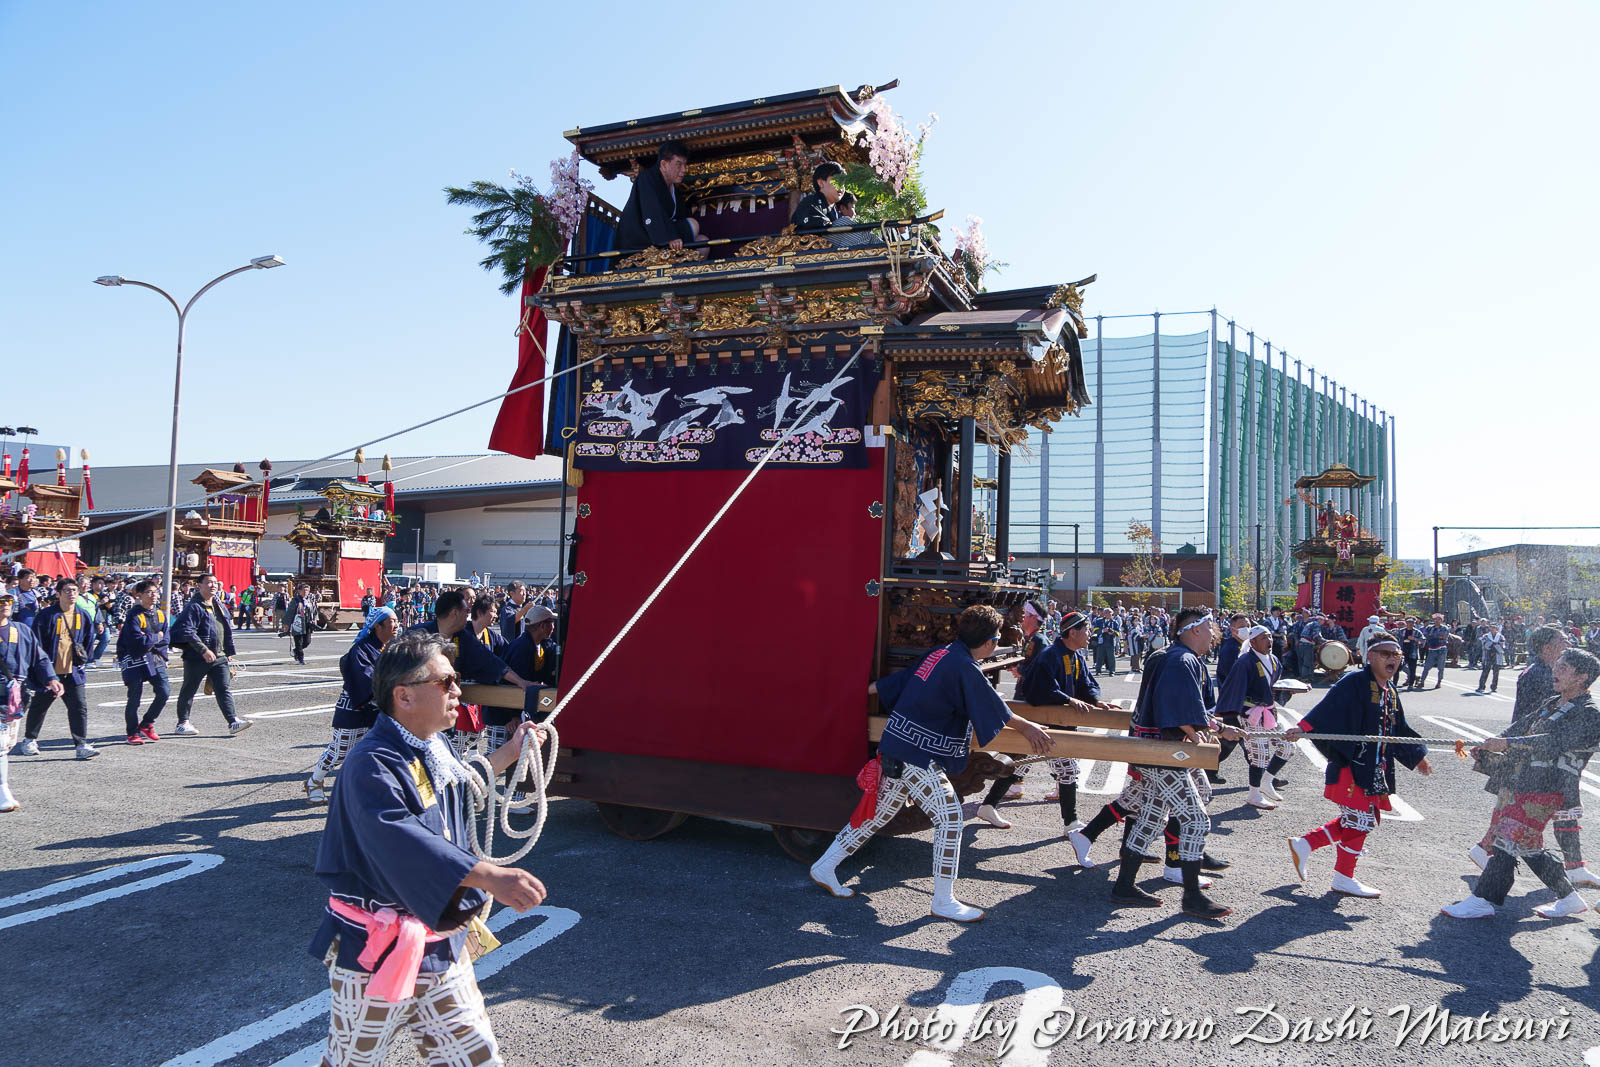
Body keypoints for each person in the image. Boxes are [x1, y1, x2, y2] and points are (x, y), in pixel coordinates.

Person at [308, 630, 546, 1066]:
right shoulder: (371, 763)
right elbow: (399, 838)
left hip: (439, 944)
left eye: (456, 679)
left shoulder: (432, 747)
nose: (458, 691)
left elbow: (463, 785)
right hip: (376, 948)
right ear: (404, 696)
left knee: (476, 1056)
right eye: (445, 681)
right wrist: (489, 876)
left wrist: (513, 751)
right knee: (351, 1060)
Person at [809, 605, 1053, 922]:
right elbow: (994, 706)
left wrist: (858, 689)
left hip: (898, 744)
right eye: (996, 640)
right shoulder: (964, 665)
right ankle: (943, 901)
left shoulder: (941, 653)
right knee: (950, 817)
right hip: (915, 754)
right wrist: (1028, 727)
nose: (996, 645)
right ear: (989, 642)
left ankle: (824, 866)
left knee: (877, 815)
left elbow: (902, 680)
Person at [1443, 648, 1600, 919]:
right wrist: (1492, 743)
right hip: (1523, 780)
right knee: (1528, 846)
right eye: (1557, 665)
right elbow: (1521, 726)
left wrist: (1507, 743)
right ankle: (1569, 898)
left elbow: (1552, 742)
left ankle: (1483, 900)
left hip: (1549, 788)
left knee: (1507, 839)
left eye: (1563, 668)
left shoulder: (1590, 713)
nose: (1555, 670)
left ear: (1582, 677)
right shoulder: (1554, 702)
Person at [1285, 632, 1432, 899]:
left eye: (1396, 655)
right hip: (1352, 764)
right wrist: (1302, 728)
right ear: (1370, 656)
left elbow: (1399, 728)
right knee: (1360, 821)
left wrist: (1417, 755)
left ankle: (1306, 845)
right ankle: (1342, 876)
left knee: (1357, 820)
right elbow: (1327, 708)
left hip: (1374, 768)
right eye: (1386, 654)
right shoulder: (1354, 681)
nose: (1392, 659)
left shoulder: (1390, 690)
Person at [1115, 607, 1232, 918]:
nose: (1215, 634)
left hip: (1154, 749)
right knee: (1196, 820)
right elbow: (1177, 709)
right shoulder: (1182, 660)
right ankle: (1192, 896)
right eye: (1211, 628)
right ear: (1195, 629)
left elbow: (1183, 707)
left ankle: (1123, 886)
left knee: (1152, 818)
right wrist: (1198, 737)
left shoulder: (1174, 656)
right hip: (1162, 753)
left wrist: (1217, 728)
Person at [1019, 610, 1121, 836]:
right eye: (1086, 630)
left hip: (1061, 725)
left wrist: (1096, 700)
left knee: (1020, 765)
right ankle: (1071, 822)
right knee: (1068, 770)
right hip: (1044, 724)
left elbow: (1086, 685)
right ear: (1073, 633)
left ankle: (989, 805)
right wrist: (1067, 699)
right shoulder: (1050, 655)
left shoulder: (1075, 656)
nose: (1090, 635)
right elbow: (1038, 689)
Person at [306, 607, 399, 804]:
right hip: (355, 708)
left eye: (397, 620)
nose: (396, 625)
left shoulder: (390, 648)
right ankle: (314, 781)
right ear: (377, 626)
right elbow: (367, 680)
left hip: (380, 708)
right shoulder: (361, 649)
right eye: (392, 621)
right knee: (340, 751)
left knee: (380, 751)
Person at [20, 577, 98, 760]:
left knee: (79, 708)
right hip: (50, 673)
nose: (72, 594)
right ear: (58, 593)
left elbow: (88, 640)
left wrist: (83, 659)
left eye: (75, 591)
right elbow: (36, 644)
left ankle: (81, 744)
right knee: (39, 706)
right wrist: (41, 671)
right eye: (67, 590)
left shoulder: (82, 615)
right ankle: (29, 739)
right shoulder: (47, 615)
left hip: (74, 672)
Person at [1217, 625, 1293, 810]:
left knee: (1288, 746)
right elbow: (1233, 688)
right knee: (1260, 754)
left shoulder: (1274, 660)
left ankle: (1267, 780)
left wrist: (1292, 689)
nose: (1269, 641)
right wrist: (1230, 715)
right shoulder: (1245, 662)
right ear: (1253, 642)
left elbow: (1273, 687)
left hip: (1269, 712)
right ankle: (1254, 794)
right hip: (1251, 714)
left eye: (1270, 637)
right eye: (1264, 638)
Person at [170, 573, 253, 737]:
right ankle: (182, 723)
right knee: (189, 689)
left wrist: (228, 652)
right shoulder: (193, 606)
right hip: (196, 656)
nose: (213, 585)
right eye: (208, 582)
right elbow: (187, 631)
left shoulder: (218, 605)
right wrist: (203, 650)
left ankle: (233, 721)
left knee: (223, 689)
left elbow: (224, 630)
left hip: (219, 656)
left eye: (215, 582)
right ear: (199, 585)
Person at [1, 591, 62, 808]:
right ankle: (3, 792)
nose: (5, 604)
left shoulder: (21, 630)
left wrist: (51, 678)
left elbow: (39, 657)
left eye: (8, 600)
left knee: (7, 744)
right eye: (0, 601)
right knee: (0, 746)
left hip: (14, 697)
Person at [613, 140, 701, 251]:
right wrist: (669, 237)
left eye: (685, 165)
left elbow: (679, 215)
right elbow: (652, 211)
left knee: (702, 242)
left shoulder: (674, 190)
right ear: (663, 164)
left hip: (662, 237)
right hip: (641, 241)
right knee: (693, 225)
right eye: (678, 164)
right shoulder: (646, 179)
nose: (684, 170)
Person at [116, 579, 170, 744]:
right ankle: (132, 732)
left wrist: (150, 639)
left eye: (155, 592)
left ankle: (147, 723)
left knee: (164, 692)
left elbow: (166, 638)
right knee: (134, 697)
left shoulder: (160, 614)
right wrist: (155, 637)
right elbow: (136, 641)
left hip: (155, 658)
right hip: (134, 658)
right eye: (149, 592)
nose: (153, 595)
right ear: (139, 595)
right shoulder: (133, 615)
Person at [791, 161, 845, 232]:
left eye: (843, 183)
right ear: (821, 183)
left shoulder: (836, 210)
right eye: (837, 181)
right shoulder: (810, 203)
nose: (841, 186)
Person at [1416, 613, 1450, 689]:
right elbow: (1425, 636)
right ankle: (1422, 682)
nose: (1437, 621)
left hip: (1441, 649)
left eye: (1439, 619)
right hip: (1432, 649)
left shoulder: (1445, 628)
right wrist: (1436, 636)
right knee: (1426, 667)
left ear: (1441, 620)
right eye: (1435, 619)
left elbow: (1444, 636)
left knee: (1441, 667)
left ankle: (1439, 682)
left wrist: (1432, 636)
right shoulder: (1429, 628)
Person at [287, 582, 316, 665]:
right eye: (304, 590)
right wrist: (287, 624)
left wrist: (314, 619)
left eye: (307, 590)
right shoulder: (295, 601)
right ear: (299, 591)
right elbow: (289, 613)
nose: (305, 592)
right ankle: (301, 659)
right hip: (298, 624)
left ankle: (296, 651)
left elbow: (314, 610)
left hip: (307, 623)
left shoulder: (309, 600)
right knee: (299, 642)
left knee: (307, 642)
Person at [1476, 622, 1508, 694]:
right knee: (1485, 671)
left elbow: (1502, 646)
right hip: (1488, 655)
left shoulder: (1500, 636)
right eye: (1491, 627)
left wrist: (1495, 645)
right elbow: (1485, 645)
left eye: (1494, 627)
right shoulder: (1486, 636)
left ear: (1497, 628)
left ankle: (1494, 687)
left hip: (1497, 656)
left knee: (1496, 673)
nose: (1493, 629)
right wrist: (1493, 644)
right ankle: (1481, 686)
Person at [1397, 616, 1423, 689]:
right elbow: (1396, 638)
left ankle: (1411, 684)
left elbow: (1422, 641)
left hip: (1412, 652)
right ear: (1406, 623)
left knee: (1412, 669)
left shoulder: (1417, 632)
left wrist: (1415, 639)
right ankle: (1394, 683)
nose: (1410, 624)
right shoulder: (1401, 631)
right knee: (1398, 667)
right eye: (1409, 622)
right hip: (1402, 652)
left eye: (1412, 623)